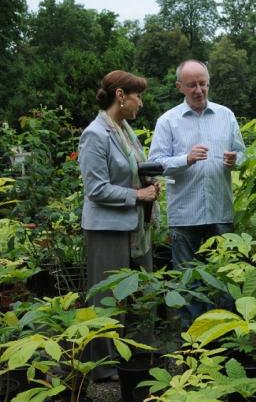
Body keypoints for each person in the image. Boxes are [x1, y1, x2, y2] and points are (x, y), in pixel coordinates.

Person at [79, 70, 160, 381]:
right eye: (138, 96)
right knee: (109, 297)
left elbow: (132, 170)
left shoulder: (125, 129)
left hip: (137, 227)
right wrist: (137, 194)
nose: (141, 102)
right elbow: (96, 189)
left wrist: (148, 184)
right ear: (121, 96)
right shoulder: (95, 134)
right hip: (108, 230)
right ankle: (104, 366)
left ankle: (135, 358)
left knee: (143, 292)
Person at [148, 60, 246, 319]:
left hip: (220, 210)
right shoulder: (168, 121)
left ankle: (225, 330)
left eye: (203, 84)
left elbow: (243, 153)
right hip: (185, 213)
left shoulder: (226, 115)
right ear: (179, 86)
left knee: (226, 274)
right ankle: (193, 333)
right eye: (192, 85)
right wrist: (186, 159)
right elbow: (155, 164)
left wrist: (236, 160)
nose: (199, 90)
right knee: (189, 278)